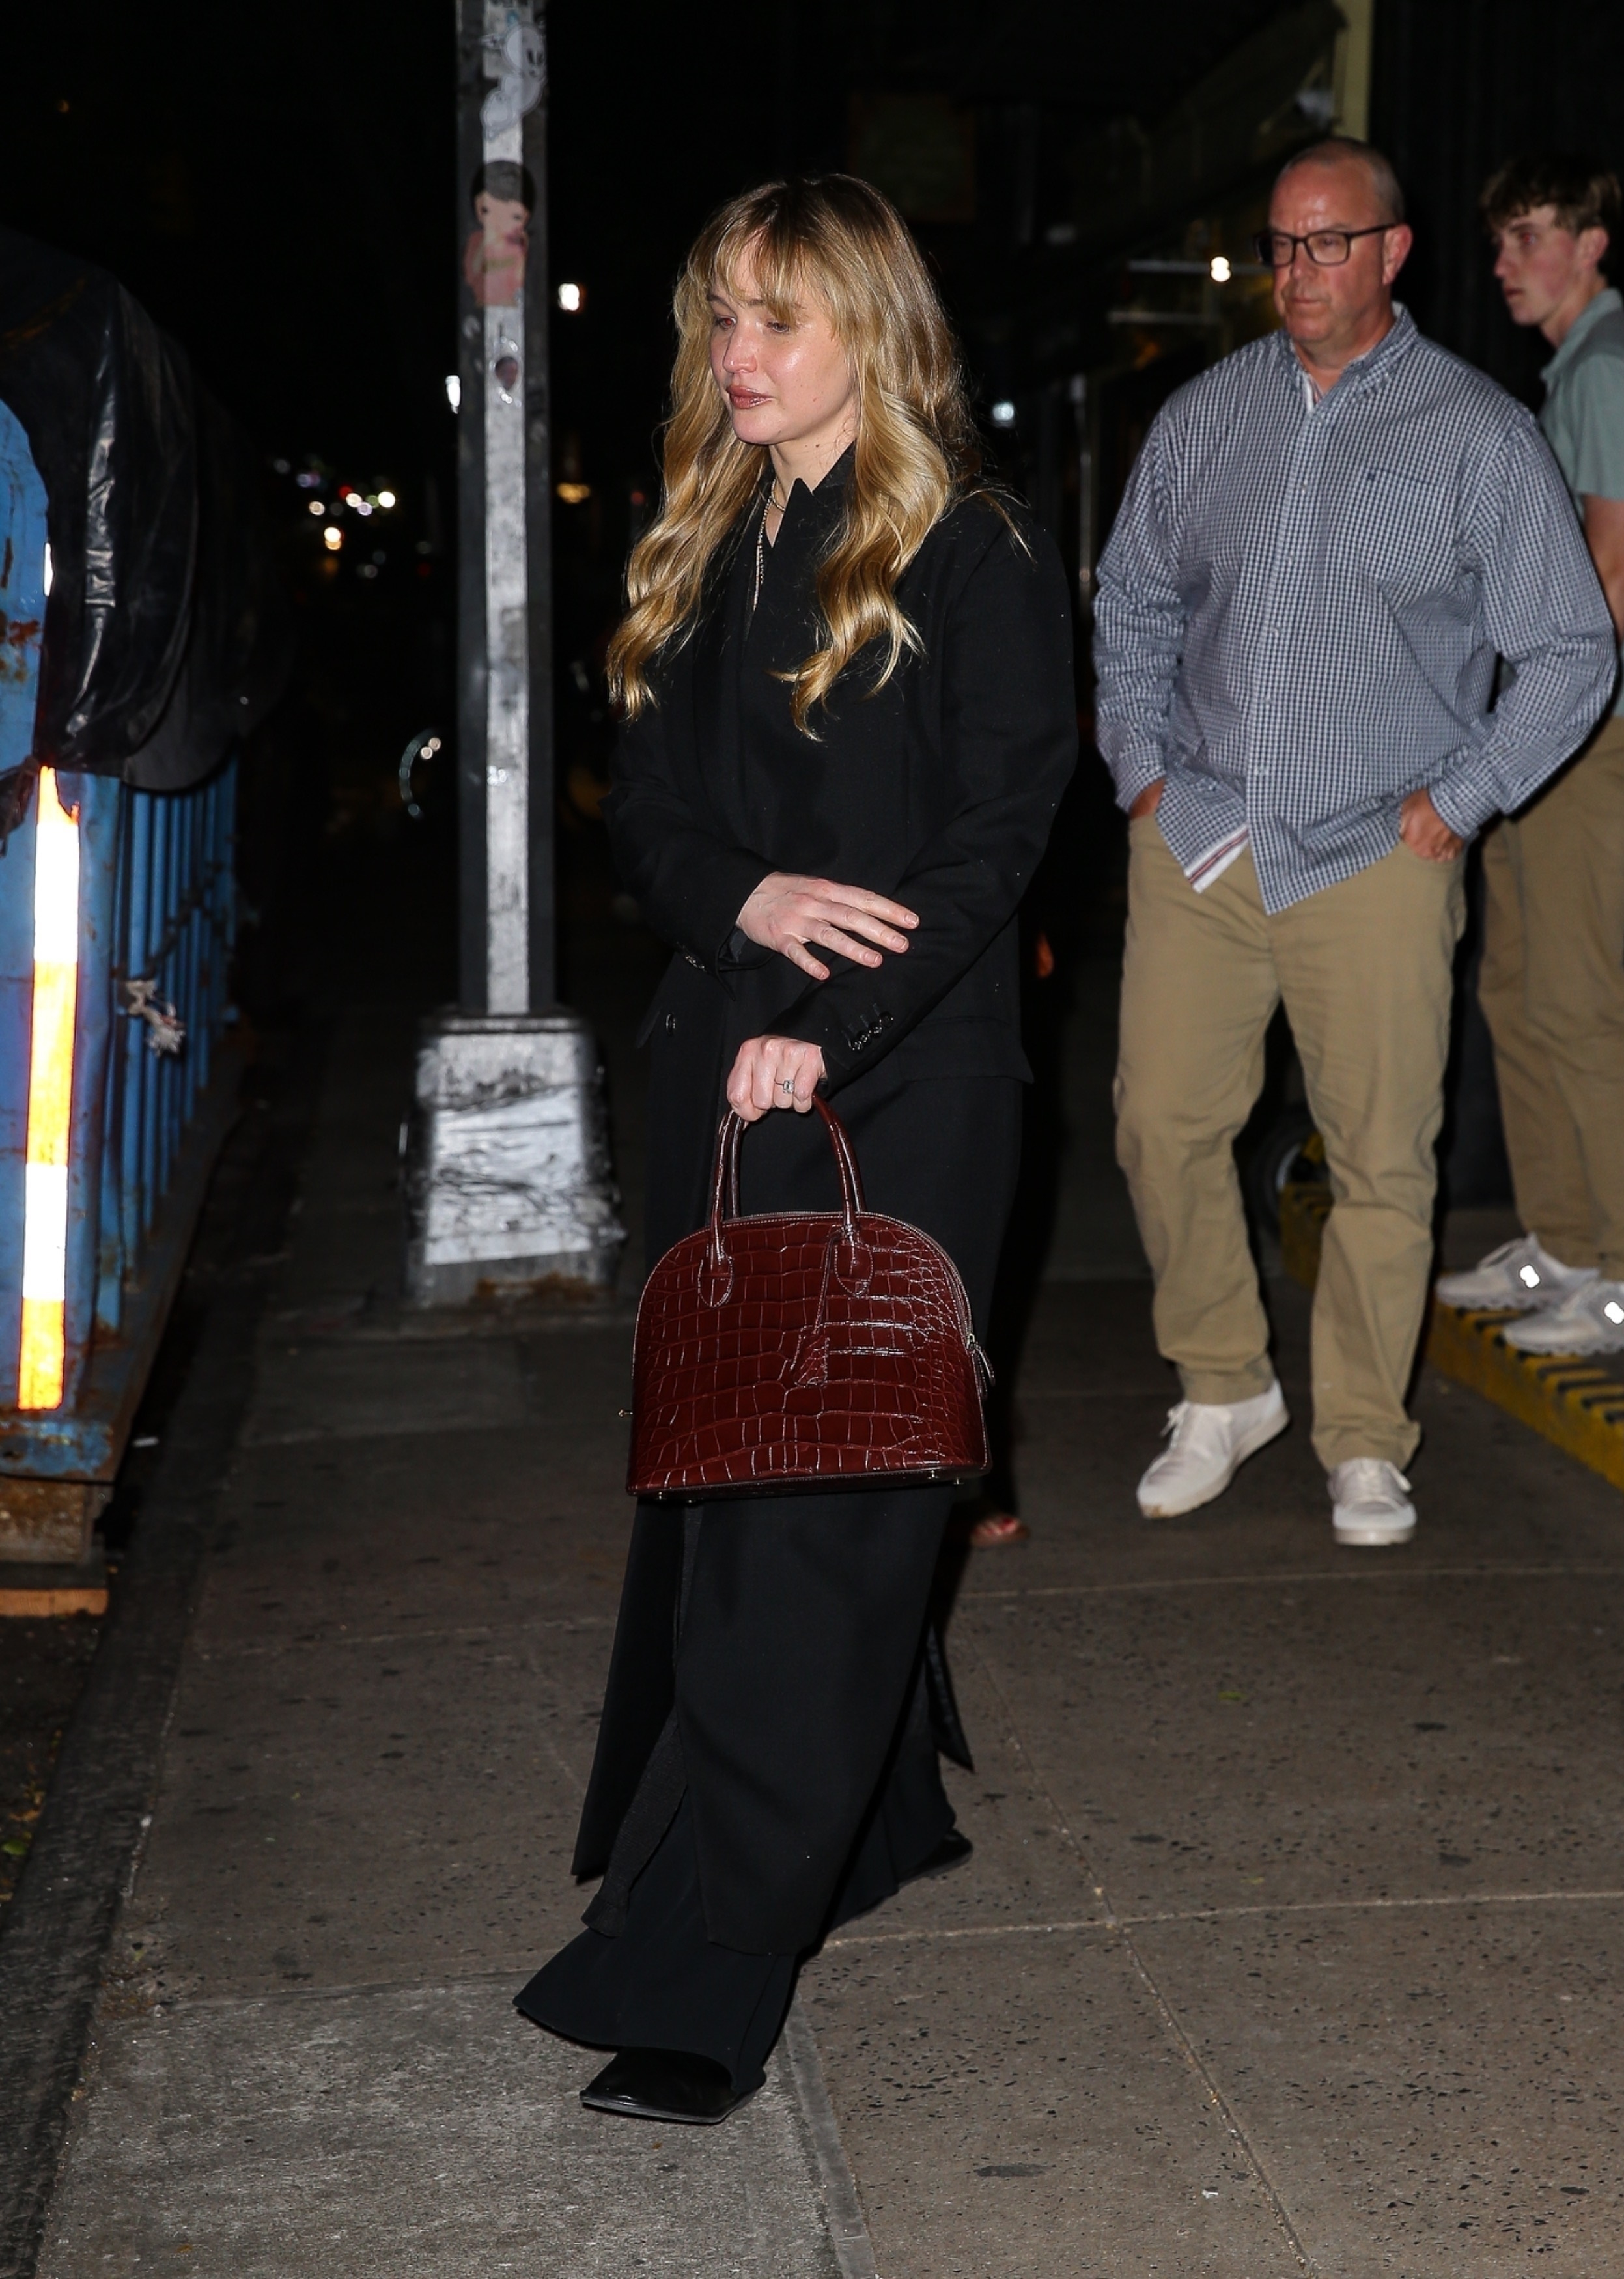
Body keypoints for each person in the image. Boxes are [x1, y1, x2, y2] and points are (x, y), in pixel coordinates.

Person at [514, 175, 1076, 2125]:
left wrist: (815, 1027)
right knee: (727, 1485)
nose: (734, 358)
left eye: (773, 320)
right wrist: (741, 895)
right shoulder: (704, 540)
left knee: (817, 1523)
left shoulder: (975, 554)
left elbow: (986, 848)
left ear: (868, 330)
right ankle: (866, 1809)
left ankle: (707, 1958)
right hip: (720, 1079)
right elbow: (646, 819)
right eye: (719, 322)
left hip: (901, 1093)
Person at [1093, 137, 1616, 1550]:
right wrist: (1140, 768)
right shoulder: (1204, 419)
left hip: (1375, 855)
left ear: (1391, 252)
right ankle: (1219, 1385)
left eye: (1327, 244)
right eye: (1278, 245)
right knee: (1158, 1124)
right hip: (1200, 839)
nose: (1297, 272)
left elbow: (1569, 650)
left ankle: (1362, 1440)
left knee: (1384, 1158)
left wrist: (1460, 799)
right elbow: (1131, 602)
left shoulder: (1474, 432)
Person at [1438, 158, 1624, 1355]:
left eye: (1530, 238)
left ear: (1593, 243)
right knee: (1516, 994)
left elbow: (1612, 578)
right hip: (1547, 740)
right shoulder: (1577, 372)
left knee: (1574, 1000)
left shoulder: (1605, 369)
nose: (1506, 263)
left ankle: (1620, 1273)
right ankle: (1565, 1247)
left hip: (1589, 739)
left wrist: (1531, 734)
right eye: (1500, 241)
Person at [461, 160, 532, 308]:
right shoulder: (476, 240)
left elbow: (520, 279)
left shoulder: (518, 243)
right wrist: (486, 244)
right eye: (487, 210)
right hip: (481, 306)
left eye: (515, 216)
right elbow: (470, 274)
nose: (499, 222)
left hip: (510, 305)